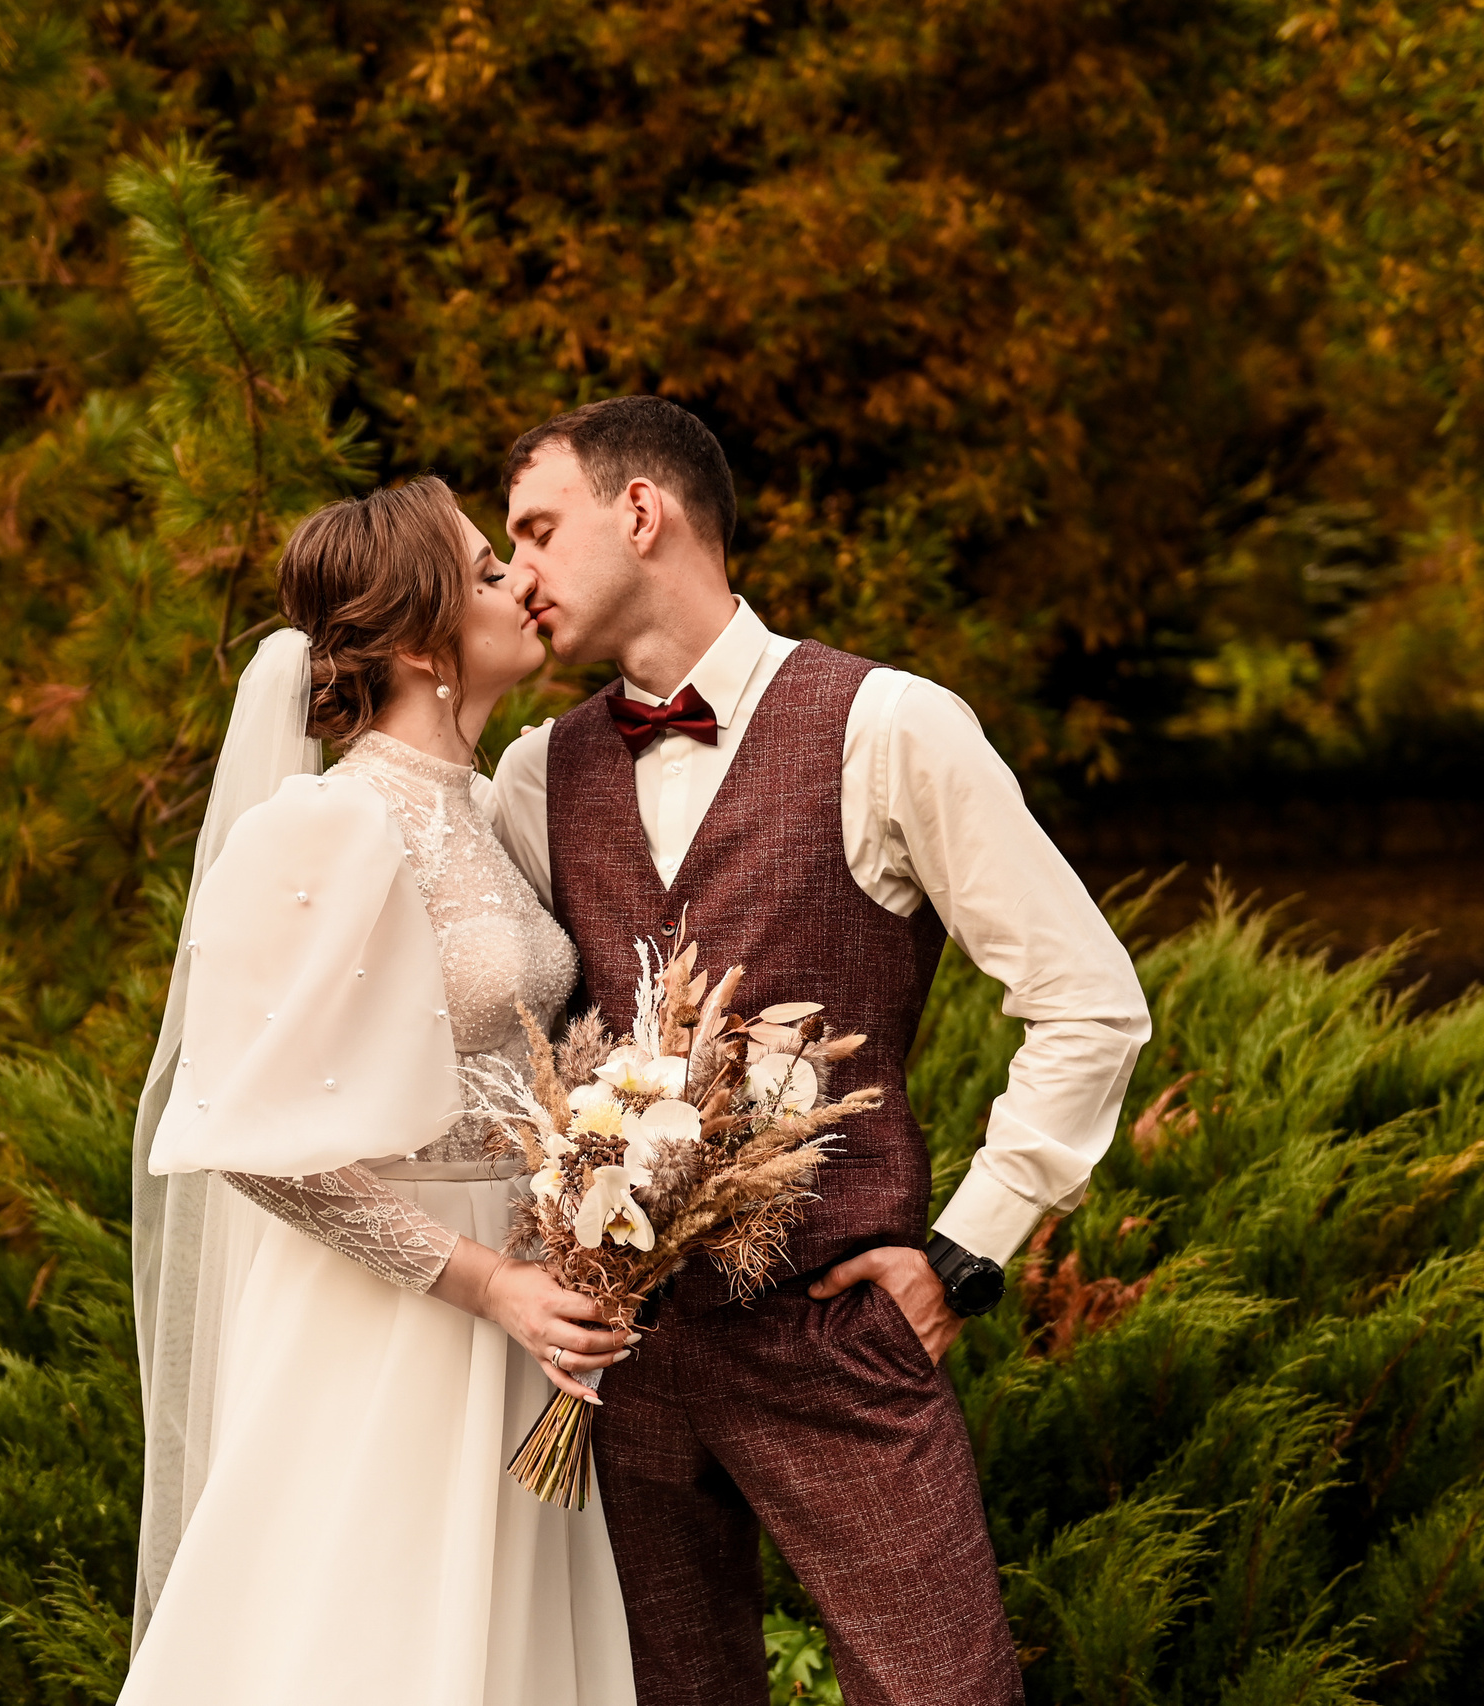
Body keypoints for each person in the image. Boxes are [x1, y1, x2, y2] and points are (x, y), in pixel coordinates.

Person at [491, 398, 1152, 1706]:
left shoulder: (890, 726)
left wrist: (968, 1247)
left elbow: (1090, 1000)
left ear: (642, 511)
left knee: (945, 1691)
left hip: (837, 1340)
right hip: (623, 1375)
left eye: (537, 531)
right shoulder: (533, 775)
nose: (517, 575)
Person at [123, 476, 636, 1705]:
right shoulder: (327, 823)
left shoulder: (493, 809)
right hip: (396, 1304)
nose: (519, 579)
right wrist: (488, 1281)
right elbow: (250, 1140)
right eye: (482, 567)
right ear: (418, 636)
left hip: (526, 1296)